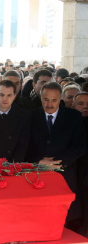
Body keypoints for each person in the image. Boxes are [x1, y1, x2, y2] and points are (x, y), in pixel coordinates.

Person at [26, 81, 86, 228]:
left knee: (66, 219)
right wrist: (38, 161)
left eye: (54, 100)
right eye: (46, 100)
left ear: (61, 99)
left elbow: (80, 146)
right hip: (38, 175)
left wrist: (57, 163)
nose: (50, 104)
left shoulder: (74, 117)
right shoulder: (31, 116)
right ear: (41, 97)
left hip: (65, 175)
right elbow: (25, 145)